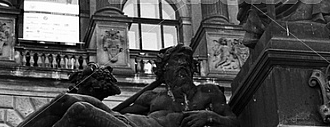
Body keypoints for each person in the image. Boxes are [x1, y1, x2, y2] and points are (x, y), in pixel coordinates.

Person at [18, 44, 239, 127]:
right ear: (164, 73)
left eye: (185, 64)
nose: (181, 68)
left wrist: (210, 117)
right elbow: (114, 114)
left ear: (192, 69)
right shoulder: (153, 95)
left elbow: (232, 121)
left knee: (79, 110)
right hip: (127, 123)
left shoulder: (208, 92)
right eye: (174, 64)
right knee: (66, 100)